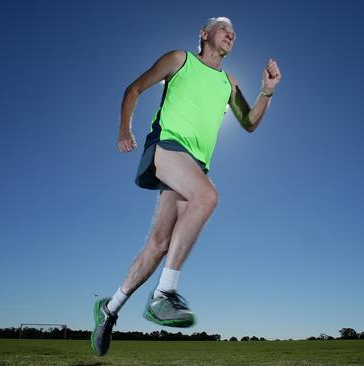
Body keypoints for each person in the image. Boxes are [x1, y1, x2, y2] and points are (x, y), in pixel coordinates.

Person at [90, 16, 282, 356]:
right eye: (224, 28)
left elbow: (249, 122)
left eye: (234, 33)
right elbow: (133, 89)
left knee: (158, 244)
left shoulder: (228, 82)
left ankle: (109, 309)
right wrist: (124, 129)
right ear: (204, 33)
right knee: (207, 196)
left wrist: (266, 91)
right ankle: (164, 294)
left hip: (193, 164)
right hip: (166, 144)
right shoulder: (181, 59)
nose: (231, 35)